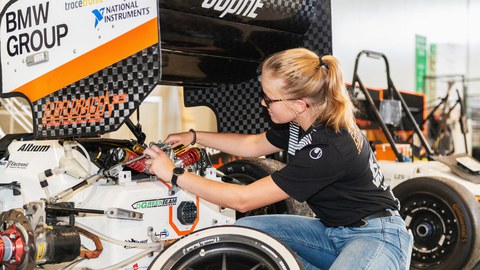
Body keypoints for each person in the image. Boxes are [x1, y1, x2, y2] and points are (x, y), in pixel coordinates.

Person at [143, 48, 413, 270]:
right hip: (331, 230)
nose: (263, 103)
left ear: (298, 103)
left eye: (269, 99)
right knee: (244, 231)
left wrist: (174, 174)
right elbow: (252, 144)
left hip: (377, 236)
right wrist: (194, 136)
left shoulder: (330, 147)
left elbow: (242, 199)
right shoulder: (303, 120)